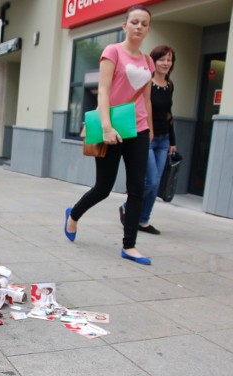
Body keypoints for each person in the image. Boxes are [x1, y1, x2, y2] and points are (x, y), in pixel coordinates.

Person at [64, 4, 154, 265]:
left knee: (137, 187)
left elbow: (146, 100)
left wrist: (149, 130)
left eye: (144, 24)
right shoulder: (112, 51)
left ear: (148, 29)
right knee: (103, 187)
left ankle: (130, 245)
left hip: (138, 129)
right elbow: (102, 91)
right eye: (134, 22)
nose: (138, 27)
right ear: (125, 26)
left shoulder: (148, 61)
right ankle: (74, 215)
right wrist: (105, 126)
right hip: (111, 128)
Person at [120, 45, 177, 235]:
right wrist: (149, 131)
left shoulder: (170, 85)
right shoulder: (147, 82)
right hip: (147, 136)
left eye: (169, 60)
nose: (166, 63)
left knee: (157, 182)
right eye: (162, 59)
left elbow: (169, 114)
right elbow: (146, 106)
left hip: (164, 139)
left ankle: (143, 220)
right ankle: (128, 207)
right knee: (150, 181)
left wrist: (172, 140)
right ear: (153, 61)